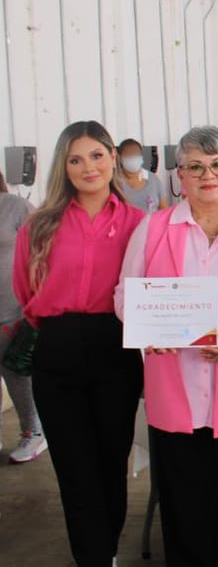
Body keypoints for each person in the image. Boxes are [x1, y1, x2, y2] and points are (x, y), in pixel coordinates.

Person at [114, 126, 218, 566]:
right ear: (180, 176)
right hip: (176, 392)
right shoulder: (152, 230)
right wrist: (146, 328)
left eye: (217, 165)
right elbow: (124, 296)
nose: (207, 175)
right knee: (186, 511)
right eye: (195, 167)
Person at [12, 121, 145, 566]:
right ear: (63, 168)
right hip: (58, 349)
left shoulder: (139, 224)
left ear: (112, 157)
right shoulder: (40, 225)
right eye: (75, 159)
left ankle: (104, 549)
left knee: (110, 464)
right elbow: (25, 292)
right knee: (74, 469)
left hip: (116, 347)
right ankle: (92, 558)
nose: (88, 167)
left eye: (96, 155)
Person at [0, 172, 45, 463]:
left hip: (11, 311)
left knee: (16, 376)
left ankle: (34, 433)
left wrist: (32, 306)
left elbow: (41, 252)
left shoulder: (15, 206)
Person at [117, 138, 167, 214]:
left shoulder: (153, 179)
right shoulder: (115, 182)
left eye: (136, 154)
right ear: (120, 158)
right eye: (128, 154)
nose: (133, 157)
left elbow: (164, 210)